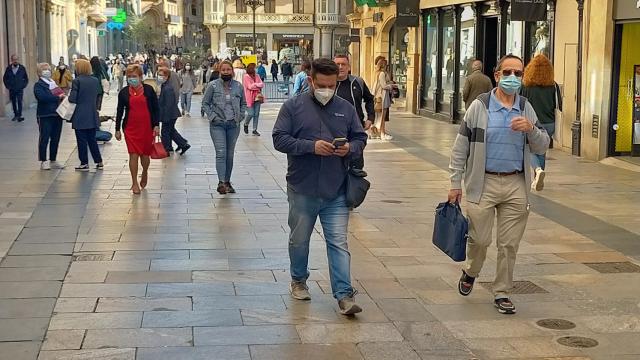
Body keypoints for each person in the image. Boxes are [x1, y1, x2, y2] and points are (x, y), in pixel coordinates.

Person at [448, 54, 549, 315]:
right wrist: (454, 182)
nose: (512, 78)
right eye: (508, 73)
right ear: (497, 75)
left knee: (508, 245)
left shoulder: (526, 107)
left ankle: (502, 291)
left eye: (517, 73)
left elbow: (542, 145)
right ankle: (471, 271)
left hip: (516, 182)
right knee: (479, 240)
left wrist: (531, 129)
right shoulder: (480, 106)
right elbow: (460, 148)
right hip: (483, 183)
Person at [273, 58, 368, 315]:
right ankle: (299, 280)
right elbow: (279, 139)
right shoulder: (293, 107)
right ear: (311, 81)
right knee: (300, 239)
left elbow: (360, 137)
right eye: (322, 85)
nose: (327, 90)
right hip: (302, 188)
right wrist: (310, 147)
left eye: (332, 85)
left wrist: (351, 148)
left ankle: (344, 295)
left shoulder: (346, 109)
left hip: (336, 188)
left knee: (338, 242)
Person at [202, 60, 247, 195]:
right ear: (219, 71)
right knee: (221, 152)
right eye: (223, 70)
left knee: (230, 154)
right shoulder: (213, 86)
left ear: (232, 71)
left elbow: (243, 103)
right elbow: (205, 103)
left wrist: (240, 116)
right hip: (218, 125)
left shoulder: (238, 86)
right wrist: (212, 117)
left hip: (233, 125)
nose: (226, 72)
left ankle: (227, 181)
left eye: (228, 70)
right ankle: (221, 182)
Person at [115, 65, 161, 194]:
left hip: (147, 127)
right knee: (133, 154)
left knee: (145, 155)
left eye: (134, 76)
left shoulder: (149, 90)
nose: (131, 79)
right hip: (130, 128)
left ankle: (145, 171)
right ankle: (134, 182)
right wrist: (117, 129)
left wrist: (156, 125)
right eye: (129, 77)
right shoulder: (123, 92)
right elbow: (119, 111)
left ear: (141, 77)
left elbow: (156, 109)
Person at [521, 54, 561, 191]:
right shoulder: (553, 85)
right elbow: (559, 104)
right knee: (542, 148)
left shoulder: (526, 85)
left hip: (531, 122)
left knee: (529, 148)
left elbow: (520, 103)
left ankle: (537, 170)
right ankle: (538, 176)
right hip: (549, 122)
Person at [334, 55, 375, 172]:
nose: (340, 67)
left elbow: (369, 99)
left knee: (356, 167)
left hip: (355, 131)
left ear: (349, 67)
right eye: (337, 64)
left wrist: (370, 118)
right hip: (334, 131)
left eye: (343, 64)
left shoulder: (358, 82)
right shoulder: (328, 84)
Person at [68, 59, 104, 171]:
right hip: (92, 114)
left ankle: (84, 163)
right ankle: (99, 161)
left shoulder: (77, 81)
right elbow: (98, 94)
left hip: (80, 115)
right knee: (92, 139)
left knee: (81, 140)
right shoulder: (94, 80)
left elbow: (72, 98)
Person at [34, 63, 65, 170]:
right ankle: (43, 160)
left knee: (55, 138)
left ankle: (53, 159)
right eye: (44, 69)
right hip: (45, 115)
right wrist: (57, 98)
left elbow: (60, 94)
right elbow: (42, 97)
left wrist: (62, 96)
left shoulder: (53, 83)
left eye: (48, 69)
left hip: (57, 114)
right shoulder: (38, 85)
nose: (47, 71)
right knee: (44, 138)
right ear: (39, 72)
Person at [158, 67, 190, 155]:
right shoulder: (165, 86)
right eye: (159, 75)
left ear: (167, 76)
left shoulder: (167, 88)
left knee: (165, 131)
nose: (159, 77)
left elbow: (168, 104)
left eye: (161, 75)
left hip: (169, 114)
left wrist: (165, 116)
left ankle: (167, 148)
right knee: (171, 130)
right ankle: (183, 144)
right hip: (171, 114)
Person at [372, 58, 394, 141]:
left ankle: (377, 133)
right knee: (381, 116)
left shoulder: (378, 73)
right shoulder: (381, 74)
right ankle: (381, 133)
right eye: (386, 64)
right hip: (382, 97)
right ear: (383, 65)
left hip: (380, 96)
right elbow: (384, 85)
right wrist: (391, 86)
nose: (387, 66)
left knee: (379, 116)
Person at [3, 54, 29, 122]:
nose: (15, 61)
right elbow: (5, 78)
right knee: (13, 102)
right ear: (11, 60)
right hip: (12, 89)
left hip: (20, 88)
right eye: (14, 60)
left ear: (18, 60)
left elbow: (26, 78)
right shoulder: (8, 68)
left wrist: (23, 85)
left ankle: (19, 115)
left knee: (19, 101)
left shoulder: (22, 68)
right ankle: (15, 115)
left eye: (16, 59)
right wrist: (8, 86)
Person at [242, 63, 265, 136]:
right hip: (248, 97)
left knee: (256, 114)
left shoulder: (257, 76)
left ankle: (255, 129)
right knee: (251, 113)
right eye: (254, 68)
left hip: (257, 97)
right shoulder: (246, 77)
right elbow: (249, 87)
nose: (255, 69)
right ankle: (246, 124)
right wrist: (257, 85)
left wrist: (255, 85)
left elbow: (262, 84)